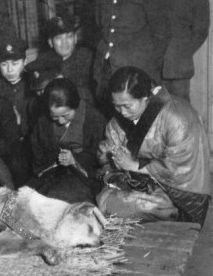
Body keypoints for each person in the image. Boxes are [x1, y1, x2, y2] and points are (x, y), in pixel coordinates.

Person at [96, 66, 211, 226]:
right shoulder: (121, 120)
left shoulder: (178, 117)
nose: (122, 112)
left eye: (127, 106)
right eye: (117, 106)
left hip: (181, 196)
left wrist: (134, 165)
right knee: (104, 199)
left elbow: (179, 170)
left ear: (146, 98)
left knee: (154, 207)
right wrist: (113, 162)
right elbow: (106, 159)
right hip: (143, 184)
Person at [29, 78, 107, 203]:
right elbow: (37, 152)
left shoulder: (94, 119)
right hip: (52, 172)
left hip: (83, 175)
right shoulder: (43, 120)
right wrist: (56, 159)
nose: (60, 121)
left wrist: (74, 159)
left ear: (75, 106)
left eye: (65, 115)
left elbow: (99, 157)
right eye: (54, 117)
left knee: (65, 198)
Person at [94, 0, 171, 114]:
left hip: (137, 72)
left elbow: (161, 34)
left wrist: (148, 65)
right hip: (106, 69)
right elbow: (101, 25)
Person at [28, 14, 95, 106]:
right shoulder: (43, 59)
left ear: (75, 39)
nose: (65, 42)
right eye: (59, 38)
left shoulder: (88, 57)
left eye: (69, 36)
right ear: (50, 42)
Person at [162, 0, 210, 102]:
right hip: (151, 65)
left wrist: (181, 53)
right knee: (152, 110)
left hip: (178, 67)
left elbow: (200, 31)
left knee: (181, 110)